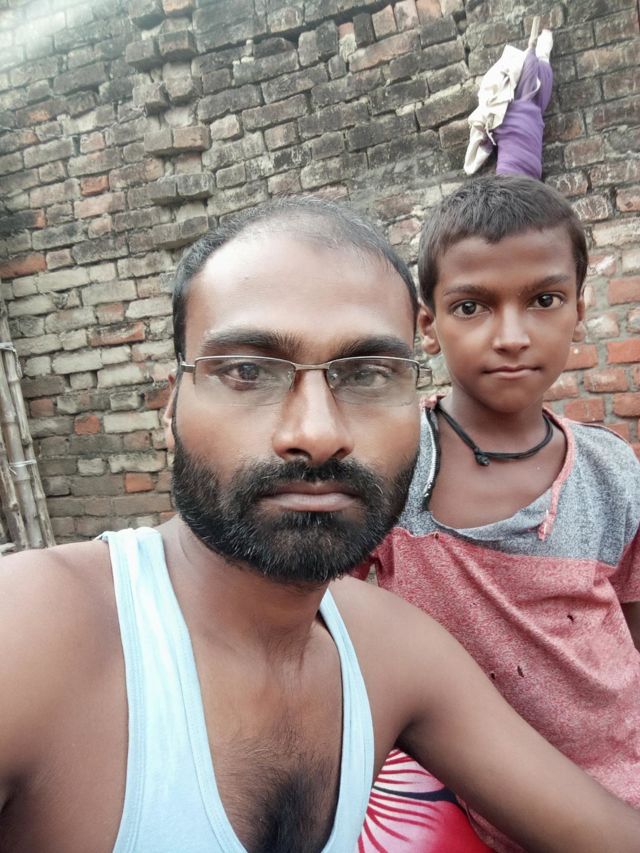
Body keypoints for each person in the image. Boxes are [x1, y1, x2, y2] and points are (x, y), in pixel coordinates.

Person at [0, 197, 639, 853]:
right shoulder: (33, 631)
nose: (317, 433)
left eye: (367, 374)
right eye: (247, 371)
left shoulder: (395, 653)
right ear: (171, 411)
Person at [357, 176, 640, 851]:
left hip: (621, 783)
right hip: (463, 808)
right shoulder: (393, 463)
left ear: (579, 309)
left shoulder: (612, 471)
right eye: (472, 306)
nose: (511, 336)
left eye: (543, 300)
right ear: (428, 325)